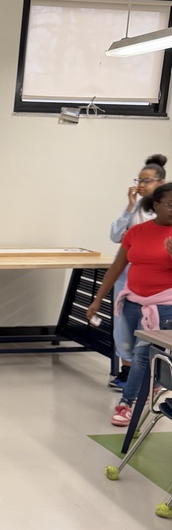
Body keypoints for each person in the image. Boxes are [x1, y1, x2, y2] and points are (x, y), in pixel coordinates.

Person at [87, 180, 172, 427]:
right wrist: (97, 299)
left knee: (143, 355)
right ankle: (150, 386)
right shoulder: (136, 232)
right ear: (156, 206)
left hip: (163, 306)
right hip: (132, 301)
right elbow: (117, 267)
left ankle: (127, 403)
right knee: (131, 352)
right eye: (170, 205)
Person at [107, 154, 167, 390]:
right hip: (127, 278)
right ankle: (126, 372)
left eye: (147, 181)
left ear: (160, 183)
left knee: (151, 326)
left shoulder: (163, 212)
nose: (141, 185)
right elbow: (115, 236)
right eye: (139, 180)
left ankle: (153, 377)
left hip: (156, 282)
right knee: (123, 324)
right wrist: (130, 207)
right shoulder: (134, 210)